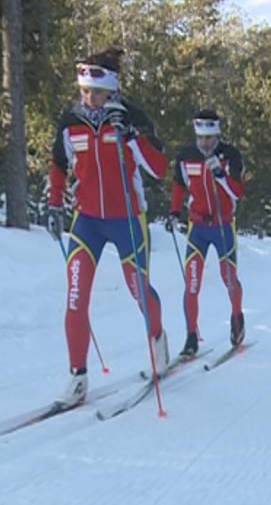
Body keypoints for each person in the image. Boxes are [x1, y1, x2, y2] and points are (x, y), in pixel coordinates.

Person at [47, 48, 170, 407]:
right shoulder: (71, 121)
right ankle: (77, 378)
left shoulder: (132, 117)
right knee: (75, 297)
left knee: (138, 290)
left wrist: (131, 135)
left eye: (97, 92)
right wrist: (55, 203)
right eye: (84, 91)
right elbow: (58, 163)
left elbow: (159, 168)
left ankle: (158, 338)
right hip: (87, 222)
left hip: (128, 219)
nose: (90, 99)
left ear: (112, 90)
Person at [166, 109, 246, 357]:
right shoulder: (186, 156)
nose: (204, 144)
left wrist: (221, 176)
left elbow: (238, 192)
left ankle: (237, 317)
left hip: (223, 225)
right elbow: (179, 185)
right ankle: (191, 337)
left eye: (209, 139)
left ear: (217, 135)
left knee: (229, 278)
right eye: (200, 138)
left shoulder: (230, 155)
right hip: (198, 227)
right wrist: (174, 211)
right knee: (192, 283)